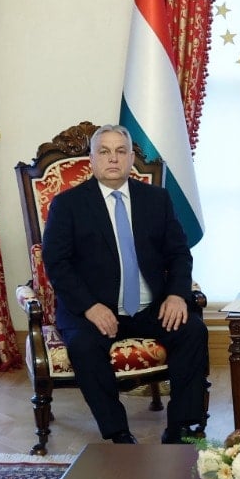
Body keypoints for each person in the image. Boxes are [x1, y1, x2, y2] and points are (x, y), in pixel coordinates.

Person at [41, 124, 208, 444]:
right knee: (84, 347)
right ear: (91, 159)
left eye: (120, 151)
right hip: (93, 309)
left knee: (193, 331)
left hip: (150, 307)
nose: (113, 158)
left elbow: (178, 254)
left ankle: (181, 428)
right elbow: (57, 264)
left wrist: (176, 295)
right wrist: (89, 307)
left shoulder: (157, 200)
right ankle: (118, 433)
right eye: (104, 152)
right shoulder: (68, 205)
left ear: (131, 158)